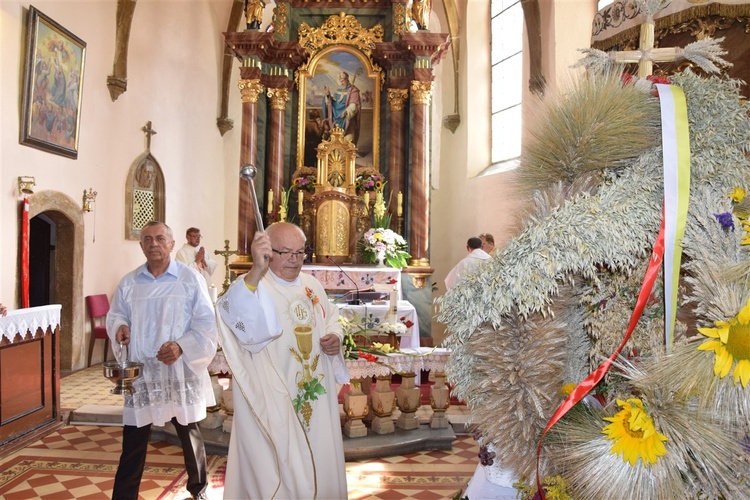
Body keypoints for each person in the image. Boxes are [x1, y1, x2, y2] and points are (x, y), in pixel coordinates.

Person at [216, 222, 349, 499]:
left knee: (319, 454)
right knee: (279, 468)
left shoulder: (312, 285)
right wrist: (255, 269)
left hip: (316, 396)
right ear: (268, 252)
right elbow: (230, 311)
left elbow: (332, 318)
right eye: (286, 252)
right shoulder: (255, 285)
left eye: (300, 252)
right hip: (275, 397)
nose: (295, 260)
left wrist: (335, 336)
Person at [107, 221, 218, 500]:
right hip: (143, 373)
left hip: (179, 370)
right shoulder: (129, 282)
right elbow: (116, 315)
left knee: (189, 433)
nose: (153, 244)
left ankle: (200, 489)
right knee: (133, 438)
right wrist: (120, 327)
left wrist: (181, 347)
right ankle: (124, 495)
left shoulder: (190, 279)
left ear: (171, 244)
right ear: (141, 245)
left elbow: (206, 322)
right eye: (147, 239)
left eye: (160, 238)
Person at [323, 71, 362, 146]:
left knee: (348, 141)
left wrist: (347, 111)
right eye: (340, 80)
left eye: (343, 80)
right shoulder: (338, 90)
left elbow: (354, 105)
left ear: (347, 79)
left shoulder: (353, 90)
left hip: (348, 119)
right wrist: (328, 95)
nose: (342, 82)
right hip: (337, 117)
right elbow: (332, 103)